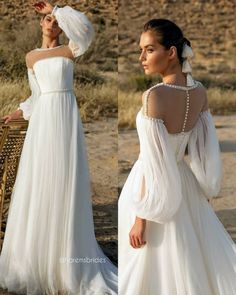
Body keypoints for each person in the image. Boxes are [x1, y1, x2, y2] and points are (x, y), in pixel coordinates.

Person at [0, 1, 117, 294]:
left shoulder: (71, 49)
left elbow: (87, 31)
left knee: (65, 179)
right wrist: (19, 111)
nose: (52, 24)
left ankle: (66, 256)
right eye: (48, 20)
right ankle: (35, 256)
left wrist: (56, 8)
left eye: (56, 21)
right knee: (41, 179)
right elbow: (37, 94)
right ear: (40, 24)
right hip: (43, 120)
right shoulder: (30, 57)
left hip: (66, 117)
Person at [118, 19, 236, 294]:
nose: (141, 58)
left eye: (149, 49)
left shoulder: (154, 96)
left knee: (153, 263)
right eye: (141, 50)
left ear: (171, 52)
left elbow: (152, 162)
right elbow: (201, 150)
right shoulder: (200, 92)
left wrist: (141, 218)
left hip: (155, 186)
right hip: (186, 184)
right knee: (191, 256)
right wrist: (203, 189)